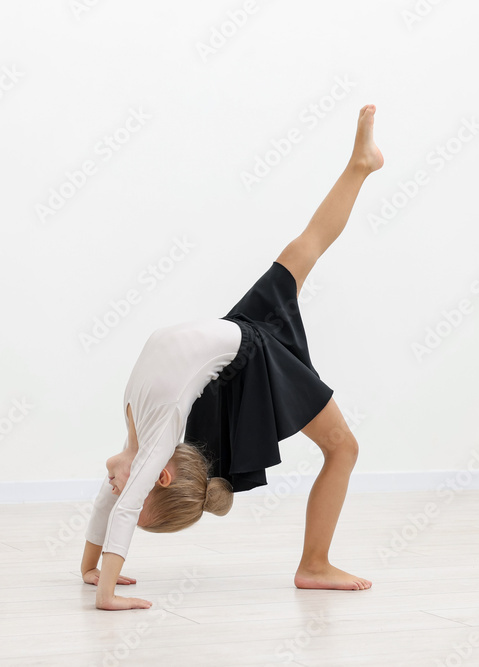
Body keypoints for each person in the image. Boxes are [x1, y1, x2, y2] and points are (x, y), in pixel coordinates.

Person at [79, 104, 385, 610]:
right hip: (248, 354)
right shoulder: (155, 438)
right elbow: (122, 501)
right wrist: (107, 594)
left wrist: (91, 568)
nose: (113, 491)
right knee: (344, 448)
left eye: (127, 502)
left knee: (303, 249)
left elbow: (115, 501)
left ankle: (360, 165)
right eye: (133, 504)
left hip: (234, 343)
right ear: (160, 476)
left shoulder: (139, 425)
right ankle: (314, 565)